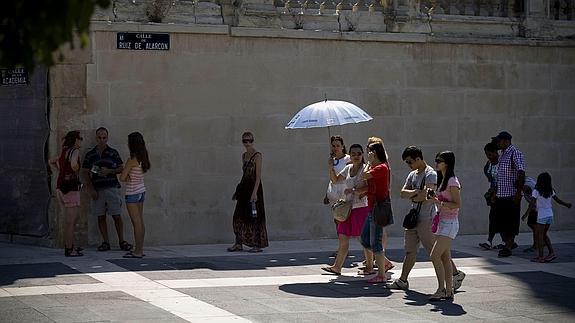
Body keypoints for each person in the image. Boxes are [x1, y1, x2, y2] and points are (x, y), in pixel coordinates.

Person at [388, 146, 465, 291]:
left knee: (436, 252)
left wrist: (415, 195)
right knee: (410, 250)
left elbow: (427, 196)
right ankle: (403, 280)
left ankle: (453, 276)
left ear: (418, 158)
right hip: (414, 218)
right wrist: (416, 192)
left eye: (410, 161)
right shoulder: (412, 175)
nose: (409, 165)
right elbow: (403, 193)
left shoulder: (432, 174)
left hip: (428, 218)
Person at [81, 127, 132, 252]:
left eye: (104, 137)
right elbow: (85, 172)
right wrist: (90, 189)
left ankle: (121, 241)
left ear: (107, 137)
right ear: (96, 138)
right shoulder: (90, 154)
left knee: (116, 215)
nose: (102, 140)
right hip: (97, 189)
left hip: (111, 187)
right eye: (99, 137)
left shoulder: (113, 152)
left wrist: (109, 171)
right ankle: (105, 242)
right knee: (100, 216)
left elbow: (121, 168)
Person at [321, 144, 369, 275]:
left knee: (363, 239)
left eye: (359, 153)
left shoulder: (365, 170)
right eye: (353, 154)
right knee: (343, 237)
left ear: (362, 154)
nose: (356, 156)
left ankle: (375, 264)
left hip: (360, 207)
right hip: (347, 208)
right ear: (350, 155)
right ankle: (337, 267)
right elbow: (335, 180)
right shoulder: (348, 168)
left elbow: (369, 188)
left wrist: (354, 191)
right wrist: (331, 167)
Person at [228, 132, 269, 253]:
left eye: (249, 141)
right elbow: (244, 173)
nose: (247, 143)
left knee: (254, 217)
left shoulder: (257, 156)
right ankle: (238, 243)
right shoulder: (244, 155)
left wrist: (254, 193)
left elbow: (258, 176)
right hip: (244, 188)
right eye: (245, 141)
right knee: (238, 216)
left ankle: (256, 244)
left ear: (253, 141)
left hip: (254, 188)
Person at [429, 151, 461, 301]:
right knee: (445, 257)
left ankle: (441, 289)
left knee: (434, 255)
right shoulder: (442, 180)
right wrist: (434, 199)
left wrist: (440, 202)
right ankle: (448, 290)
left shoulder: (452, 181)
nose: (436, 163)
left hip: (450, 223)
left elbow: (457, 204)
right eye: (436, 160)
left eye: (439, 160)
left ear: (447, 163)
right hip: (441, 222)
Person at [358, 142, 391, 283]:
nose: (367, 154)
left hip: (379, 209)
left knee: (375, 242)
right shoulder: (375, 167)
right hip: (371, 208)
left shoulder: (382, 167)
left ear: (375, 153)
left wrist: (369, 163)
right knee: (365, 239)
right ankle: (385, 262)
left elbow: (364, 176)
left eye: (369, 151)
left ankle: (382, 275)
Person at [491, 131, 525, 258]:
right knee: (500, 223)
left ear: (506, 141)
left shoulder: (515, 153)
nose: (498, 143)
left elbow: (521, 173)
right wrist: (495, 193)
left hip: (511, 195)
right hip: (501, 195)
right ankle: (508, 243)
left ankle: (508, 247)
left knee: (510, 223)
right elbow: (499, 176)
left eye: (499, 141)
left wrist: (518, 193)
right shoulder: (502, 154)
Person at [50, 131, 84, 257]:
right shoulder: (74, 151)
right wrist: (75, 170)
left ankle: (71, 245)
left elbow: (51, 161)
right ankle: (69, 249)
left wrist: (61, 170)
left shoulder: (64, 152)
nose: (81, 141)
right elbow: (74, 164)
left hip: (60, 188)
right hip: (71, 189)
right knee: (70, 221)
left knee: (72, 219)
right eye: (80, 138)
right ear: (75, 140)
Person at [528, 172, 572, 263]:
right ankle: (551, 253)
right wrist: (566, 204)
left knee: (540, 237)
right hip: (549, 215)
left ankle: (541, 257)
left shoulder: (536, 191)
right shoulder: (550, 190)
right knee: (544, 235)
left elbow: (532, 204)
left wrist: (525, 214)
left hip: (542, 216)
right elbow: (558, 200)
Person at [120, 132, 150, 258]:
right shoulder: (143, 157)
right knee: (140, 221)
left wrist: (126, 175)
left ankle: (137, 251)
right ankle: (140, 249)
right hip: (141, 190)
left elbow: (122, 177)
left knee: (136, 222)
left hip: (132, 192)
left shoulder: (132, 159)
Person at [479, 142, 503, 250]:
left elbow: (501, 181)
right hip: (494, 192)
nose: (489, 157)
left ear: (495, 152)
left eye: (490, 154)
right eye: (487, 154)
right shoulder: (489, 164)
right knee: (494, 217)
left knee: (497, 217)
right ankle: (493, 241)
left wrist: (494, 193)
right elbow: (489, 175)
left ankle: (496, 241)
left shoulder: (501, 163)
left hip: (502, 194)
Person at [324, 135, 350, 205]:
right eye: (333, 146)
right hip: (334, 192)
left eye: (338, 145)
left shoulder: (348, 159)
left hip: (345, 191)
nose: (335, 148)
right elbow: (331, 178)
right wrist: (327, 194)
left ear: (342, 146)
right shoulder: (332, 160)